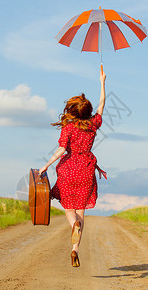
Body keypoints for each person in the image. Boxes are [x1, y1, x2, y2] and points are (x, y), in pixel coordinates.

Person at [39, 69, 107, 268]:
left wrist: (46, 165)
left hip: (68, 169)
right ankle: (75, 250)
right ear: (87, 112)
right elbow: (102, 106)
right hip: (86, 169)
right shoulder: (93, 124)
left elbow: (61, 149)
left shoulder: (68, 127)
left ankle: (72, 225)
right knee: (81, 211)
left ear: (72, 111)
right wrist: (102, 82)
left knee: (69, 209)